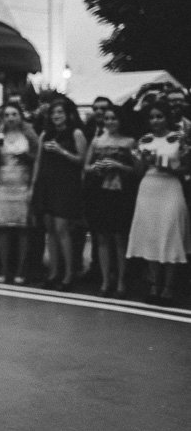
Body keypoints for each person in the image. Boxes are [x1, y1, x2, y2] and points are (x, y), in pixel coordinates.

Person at [126, 100, 191, 305]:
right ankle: (154, 284)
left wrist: (167, 168)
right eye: (152, 117)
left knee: (170, 234)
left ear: (167, 118)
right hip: (148, 189)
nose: (155, 121)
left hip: (170, 187)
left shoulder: (178, 139)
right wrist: (140, 160)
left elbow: (186, 169)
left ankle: (169, 287)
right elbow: (137, 172)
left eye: (159, 116)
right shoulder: (144, 140)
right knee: (152, 235)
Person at [31, 99, 87, 292]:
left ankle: (68, 274)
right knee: (50, 230)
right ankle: (53, 273)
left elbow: (82, 160)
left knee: (62, 229)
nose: (56, 116)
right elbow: (38, 161)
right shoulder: (45, 134)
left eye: (60, 113)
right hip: (46, 184)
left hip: (66, 185)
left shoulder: (76, 133)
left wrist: (61, 151)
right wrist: (34, 185)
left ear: (69, 114)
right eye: (53, 113)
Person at [83, 106, 136, 297]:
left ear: (121, 120)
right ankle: (105, 280)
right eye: (107, 118)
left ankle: (121, 281)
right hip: (100, 192)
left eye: (114, 118)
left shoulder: (129, 142)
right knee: (102, 238)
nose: (110, 122)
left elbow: (137, 170)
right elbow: (86, 167)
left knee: (120, 238)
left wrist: (118, 165)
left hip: (121, 193)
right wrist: (96, 166)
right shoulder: (97, 141)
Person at [0, 104, 38, 284]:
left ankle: (21, 269)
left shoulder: (28, 134)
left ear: (21, 116)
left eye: (14, 114)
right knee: (3, 228)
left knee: (22, 229)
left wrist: (27, 158)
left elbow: (37, 156)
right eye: (7, 115)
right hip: (3, 185)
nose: (10, 118)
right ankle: (3, 267)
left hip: (23, 184)